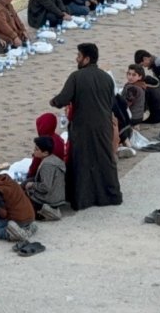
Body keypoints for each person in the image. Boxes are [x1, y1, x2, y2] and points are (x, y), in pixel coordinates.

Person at [50, 43, 123, 210]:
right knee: (104, 159)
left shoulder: (76, 76)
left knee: (82, 161)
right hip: (104, 126)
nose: (77, 59)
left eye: (79, 56)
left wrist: (54, 101)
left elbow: (62, 99)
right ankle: (110, 195)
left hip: (82, 127)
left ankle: (83, 199)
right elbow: (111, 102)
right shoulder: (106, 78)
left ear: (86, 58)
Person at [0, 162, 39, 241]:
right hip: (31, 215)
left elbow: (3, 214)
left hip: (18, 220)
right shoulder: (5, 178)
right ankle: (28, 228)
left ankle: (10, 234)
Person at [25, 135, 68, 217]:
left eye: (37, 149)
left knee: (23, 207)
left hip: (51, 200)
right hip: (56, 196)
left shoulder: (47, 165)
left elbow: (46, 187)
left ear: (45, 153)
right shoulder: (53, 159)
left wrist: (32, 185)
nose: (34, 151)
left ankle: (49, 212)